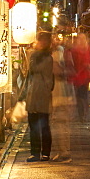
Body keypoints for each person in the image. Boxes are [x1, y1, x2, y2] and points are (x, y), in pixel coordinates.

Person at [26, 30, 54, 162]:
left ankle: (45, 153)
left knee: (43, 125)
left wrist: (31, 55)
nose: (38, 43)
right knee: (33, 126)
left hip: (42, 94)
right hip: (33, 94)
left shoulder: (47, 58)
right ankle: (35, 152)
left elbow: (36, 69)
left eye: (41, 40)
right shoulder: (35, 55)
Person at [50, 33, 75, 162]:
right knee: (61, 123)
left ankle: (64, 152)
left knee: (60, 123)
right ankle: (63, 151)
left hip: (59, 93)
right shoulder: (65, 53)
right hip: (63, 92)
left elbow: (57, 71)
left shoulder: (58, 54)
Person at [70, 31, 90, 121]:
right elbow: (71, 62)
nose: (81, 40)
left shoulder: (89, 49)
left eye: (83, 38)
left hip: (87, 77)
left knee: (84, 96)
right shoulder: (74, 50)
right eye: (80, 38)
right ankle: (81, 114)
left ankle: (84, 114)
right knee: (80, 96)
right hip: (77, 77)